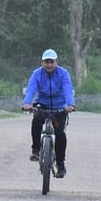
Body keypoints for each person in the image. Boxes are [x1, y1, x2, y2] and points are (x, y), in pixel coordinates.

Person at [21, 49, 76, 178]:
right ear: (42, 62)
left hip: (59, 107)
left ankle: (61, 164)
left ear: (56, 62)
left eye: (52, 62)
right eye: (46, 62)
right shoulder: (36, 74)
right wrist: (27, 103)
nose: (49, 65)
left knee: (60, 134)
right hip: (43, 104)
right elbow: (31, 89)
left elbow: (68, 89)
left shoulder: (63, 74)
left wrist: (70, 104)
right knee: (36, 119)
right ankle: (36, 150)